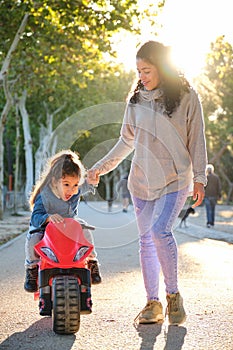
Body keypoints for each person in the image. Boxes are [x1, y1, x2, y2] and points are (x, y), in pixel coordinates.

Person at [88, 40, 207, 325]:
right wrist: (100, 167)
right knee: (145, 241)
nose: (141, 76)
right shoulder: (136, 100)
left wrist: (200, 179)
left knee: (159, 231)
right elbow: (125, 141)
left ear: (163, 68)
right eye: (138, 71)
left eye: (147, 70)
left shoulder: (188, 97)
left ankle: (173, 296)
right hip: (141, 182)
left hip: (175, 180)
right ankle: (152, 303)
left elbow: (197, 138)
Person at [24, 150, 102, 294]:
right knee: (33, 238)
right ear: (54, 181)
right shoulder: (45, 195)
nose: (71, 190)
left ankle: (92, 261)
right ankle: (31, 269)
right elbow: (35, 217)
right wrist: (48, 217)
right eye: (66, 184)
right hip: (45, 228)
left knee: (84, 229)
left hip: (69, 226)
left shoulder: (74, 190)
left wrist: (93, 181)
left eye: (75, 185)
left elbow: (86, 186)